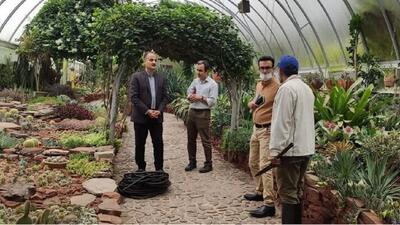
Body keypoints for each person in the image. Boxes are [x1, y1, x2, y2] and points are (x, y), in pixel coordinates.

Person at [269, 55, 315, 224]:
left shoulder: (286, 89)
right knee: (296, 192)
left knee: (288, 194)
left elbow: (282, 122)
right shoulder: (306, 89)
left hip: (289, 152)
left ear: (280, 71)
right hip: (305, 149)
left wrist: (275, 151)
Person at [244, 56, 280, 218]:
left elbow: (280, 111)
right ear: (259, 68)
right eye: (262, 68)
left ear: (273, 68)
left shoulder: (278, 87)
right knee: (252, 162)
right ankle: (259, 191)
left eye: (268, 68)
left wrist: (273, 128)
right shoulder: (259, 84)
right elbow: (256, 101)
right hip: (255, 129)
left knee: (265, 166)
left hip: (267, 131)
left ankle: (269, 204)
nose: (265, 71)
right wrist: (251, 104)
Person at [129, 51, 169, 172]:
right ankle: (141, 167)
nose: (154, 62)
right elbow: (134, 97)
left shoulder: (161, 78)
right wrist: (147, 111)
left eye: (155, 60)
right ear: (145, 62)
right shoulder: (136, 77)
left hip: (156, 117)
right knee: (140, 144)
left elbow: (165, 97)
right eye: (151, 60)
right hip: (141, 117)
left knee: (158, 144)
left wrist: (159, 111)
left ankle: (159, 168)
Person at [185, 60, 218, 173]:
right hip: (192, 112)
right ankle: (192, 162)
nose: (198, 72)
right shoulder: (195, 81)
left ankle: (208, 164)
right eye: (197, 70)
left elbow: (212, 102)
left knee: (205, 140)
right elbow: (188, 93)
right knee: (190, 139)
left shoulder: (213, 84)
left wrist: (201, 98)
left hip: (203, 113)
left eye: (200, 70)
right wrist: (190, 97)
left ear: (206, 71)